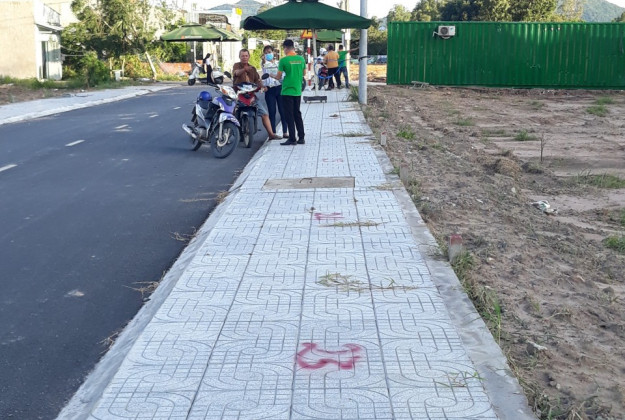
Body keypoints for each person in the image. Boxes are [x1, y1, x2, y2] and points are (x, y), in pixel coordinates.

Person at [232, 49, 281, 140]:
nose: (244, 57)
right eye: (242, 56)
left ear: (249, 57)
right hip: (239, 95)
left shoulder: (253, 69)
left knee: (264, 113)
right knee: (231, 111)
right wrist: (244, 69)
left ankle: (271, 134)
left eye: (246, 56)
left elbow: (258, 80)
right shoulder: (236, 65)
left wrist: (263, 87)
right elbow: (236, 73)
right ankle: (228, 131)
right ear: (239, 57)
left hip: (250, 95)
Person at [269, 39, 305, 146]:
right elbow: (304, 73)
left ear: (285, 48)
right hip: (297, 90)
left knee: (289, 115)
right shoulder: (301, 59)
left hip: (287, 91)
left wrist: (271, 75)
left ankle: (292, 138)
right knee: (297, 113)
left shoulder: (283, 60)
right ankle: (301, 137)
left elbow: (278, 76)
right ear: (293, 47)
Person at [261, 45, 288, 139]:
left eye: (269, 52)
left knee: (283, 111)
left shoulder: (279, 63)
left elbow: (283, 74)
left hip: (280, 88)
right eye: (266, 53)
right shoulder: (264, 64)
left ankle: (285, 131)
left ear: (273, 52)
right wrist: (264, 60)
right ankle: (273, 133)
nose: (268, 54)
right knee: (272, 112)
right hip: (269, 89)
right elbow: (263, 68)